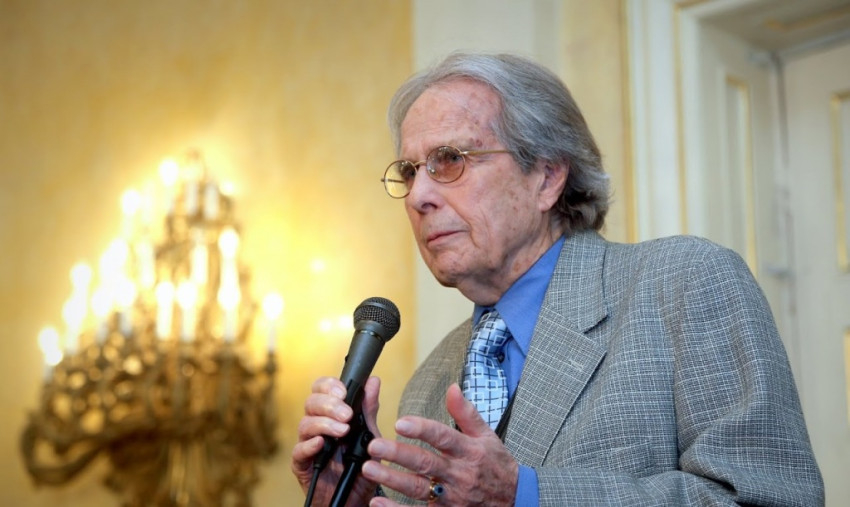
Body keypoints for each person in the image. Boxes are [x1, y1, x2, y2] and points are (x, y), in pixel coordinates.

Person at [291, 51, 824, 506]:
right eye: (409, 172)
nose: (418, 196)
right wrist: (356, 495)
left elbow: (768, 498)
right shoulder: (429, 382)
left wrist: (527, 495)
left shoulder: (684, 284)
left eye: (449, 160)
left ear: (546, 177)